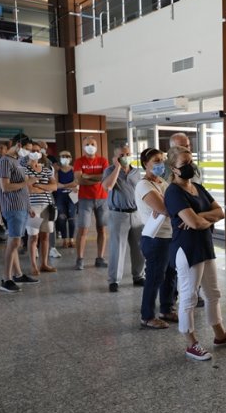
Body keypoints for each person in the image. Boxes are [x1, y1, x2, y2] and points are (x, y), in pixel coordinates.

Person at [164, 145, 226, 361]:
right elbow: (195, 222)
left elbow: (220, 212)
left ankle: (220, 335)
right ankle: (191, 343)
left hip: (205, 246)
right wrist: (200, 220)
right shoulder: (172, 192)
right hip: (187, 249)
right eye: (184, 164)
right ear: (173, 168)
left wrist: (200, 218)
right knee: (189, 297)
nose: (190, 166)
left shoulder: (198, 188)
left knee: (213, 293)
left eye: (191, 161)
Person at [135, 148, 177, 329]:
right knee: (154, 277)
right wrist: (168, 204)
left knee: (170, 275)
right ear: (146, 164)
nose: (161, 164)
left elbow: (174, 202)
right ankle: (147, 316)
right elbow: (165, 208)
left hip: (169, 234)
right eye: (156, 161)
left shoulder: (162, 182)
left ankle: (166, 309)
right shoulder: (143, 185)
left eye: (162, 160)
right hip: (155, 238)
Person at [0, 134, 39, 292]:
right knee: (14, 242)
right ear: (19, 145)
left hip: (21, 206)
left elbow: (24, 188)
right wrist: (27, 182)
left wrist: (28, 206)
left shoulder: (18, 162)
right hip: (12, 207)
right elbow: (5, 187)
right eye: (27, 149)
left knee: (15, 242)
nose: (28, 153)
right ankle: (6, 278)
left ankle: (18, 274)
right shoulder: (5, 161)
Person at [166, 132, 203, 309]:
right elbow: (170, 200)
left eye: (188, 145)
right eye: (182, 146)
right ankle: (172, 299)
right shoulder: (170, 174)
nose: (186, 149)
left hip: (197, 227)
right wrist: (186, 215)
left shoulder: (195, 169)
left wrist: (197, 216)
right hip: (178, 227)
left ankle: (197, 293)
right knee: (176, 269)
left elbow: (212, 207)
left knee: (199, 268)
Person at [103, 144, 145, 292]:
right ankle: (114, 280)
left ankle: (138, 276)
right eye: (122, 155)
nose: (125, 157)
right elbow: (108, 186)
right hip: (118, 214)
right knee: (117, 249)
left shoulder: (136, 172)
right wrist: (117, 168)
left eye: (128, 154)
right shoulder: (109, 170)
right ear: (116, 157)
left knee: (139, 248)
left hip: (136, 213)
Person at [74, 136, 109, 270]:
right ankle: (80, 259)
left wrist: (87, 176)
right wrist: (97, 178)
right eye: (87, 144)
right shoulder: (79, 161)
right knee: (83, 229)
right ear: (83, 146)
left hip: (102, 198)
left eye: (92, 144)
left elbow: (105, 177)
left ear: (97, 146)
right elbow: (79, 180)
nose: (90, 146)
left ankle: (100, 258)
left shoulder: (103, 160)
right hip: (85, 199)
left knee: (102, 229)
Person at [24, 143, 57, 275]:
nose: (36, 152)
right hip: (33, 207)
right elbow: (29, 189)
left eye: (38, 151)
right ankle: (33, 265)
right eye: (32, 150)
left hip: (48, 207)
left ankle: (44, 264)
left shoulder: (46, 169)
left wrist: (39, 186)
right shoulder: (24, 170)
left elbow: (54, 187)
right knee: (33, 237)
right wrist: (45, 187)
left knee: (45, 236)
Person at [54, 150, 78, 249]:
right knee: (62, 218)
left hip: (72, 196)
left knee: (72, 219)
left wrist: (63, 185)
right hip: (60, 197)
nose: (65, 158)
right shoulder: (57, 171)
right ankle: (64, 239)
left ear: (71, 158)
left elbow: (76, 183)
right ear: (59, 158)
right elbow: (56, 184)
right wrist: (69, 186)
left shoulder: (74, 170)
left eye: (67, 156)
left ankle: (71, 239)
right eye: (63, 156)